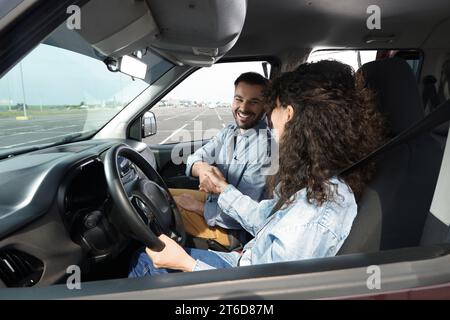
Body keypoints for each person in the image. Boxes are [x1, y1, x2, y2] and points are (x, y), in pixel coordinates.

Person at [128, 60, 385, 277]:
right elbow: (266, 217)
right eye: (239, 98)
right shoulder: (317, 182)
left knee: (145, 260)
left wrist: (184, 263)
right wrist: (222, 187)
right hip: (246, 260)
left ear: (289, 114)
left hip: (245, 274)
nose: (270, 120)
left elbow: (264, 291)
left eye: (271, 108)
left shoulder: (315, 210)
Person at [171, 72, 273, 249]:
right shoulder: (230, 131)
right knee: (160, 194)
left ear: (265, 106)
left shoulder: (265, 147)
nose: (243, 107)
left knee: (162, 210)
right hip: (214, 203)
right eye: (238, 99)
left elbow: (247, 214)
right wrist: (202, 169)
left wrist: (198, 207)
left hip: (235, 230)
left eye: (253, 102)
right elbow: (195, 158)